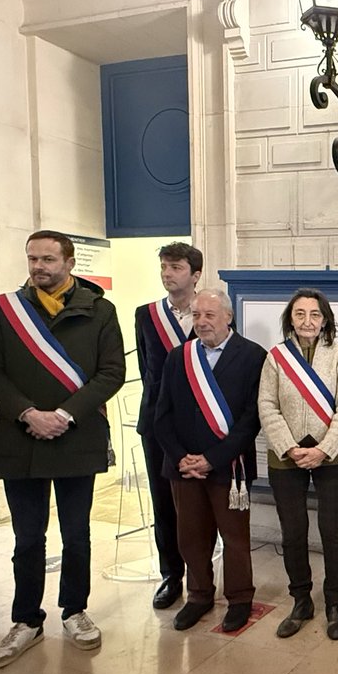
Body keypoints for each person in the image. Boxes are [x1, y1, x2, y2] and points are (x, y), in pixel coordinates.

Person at [0, 230, 126, 670]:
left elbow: (111, 372)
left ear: (69, 262)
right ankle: (26, 619)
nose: (38, 267)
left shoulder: (100, 311)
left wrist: (65, 414)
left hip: (76, 437)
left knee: (77, 534)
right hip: (20, 439)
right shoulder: (4, 312)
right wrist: (27, 414)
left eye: (48, 259)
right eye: (32, 259)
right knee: (27, 538)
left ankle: (74, 610)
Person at [152, 288, 265, 632]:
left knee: (234, 538)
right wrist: (182, 457)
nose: (202, 322)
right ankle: (199, 595)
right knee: (191, 537)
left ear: (228, 317)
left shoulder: (252, 356)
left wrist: (212, 458)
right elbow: (162, 414)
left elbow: (251, 418)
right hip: (183, 468)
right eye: (197, 316)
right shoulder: (178, 357)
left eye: (210, 315)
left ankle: (240, 598)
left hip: (230, 468)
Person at [258, 288, 338, 641]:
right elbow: (267, 406)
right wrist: (288, 447)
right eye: (300, 314)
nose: (307, 321)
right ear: (290, 319)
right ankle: (301, 600)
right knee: (293, 532)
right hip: (286, 458)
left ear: (325, 319)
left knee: (333, 532)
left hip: (330, 457)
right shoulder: (276, 358)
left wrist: (325, 449)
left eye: (314, 315)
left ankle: (334, 603)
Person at [136, 242, 202, 611]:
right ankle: (170, 575)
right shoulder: (146, 315)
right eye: (164, 267)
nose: (167, 273)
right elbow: (148, 369)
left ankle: (201, 575)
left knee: (199, 506)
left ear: (194, 274)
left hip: (202, 424)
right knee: (163, 502)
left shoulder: (210, 313)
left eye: (175, 267)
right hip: (158, 426)